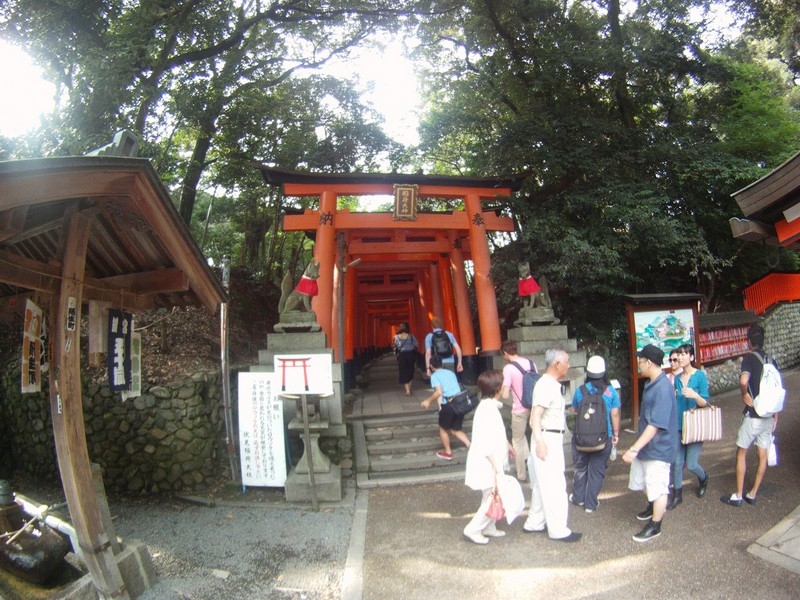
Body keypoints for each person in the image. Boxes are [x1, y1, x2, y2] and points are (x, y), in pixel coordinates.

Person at [522, 349, 581, 542]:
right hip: (546, 438)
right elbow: (535, 416)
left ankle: (534, 522)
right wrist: (540, 442)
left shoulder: (548, 384)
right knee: (555, 484)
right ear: (557, 363)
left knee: (541, 483)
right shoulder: (546, 385)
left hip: (547, 437)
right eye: (566, 361)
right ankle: (558, 530)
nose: (568, 365)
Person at [623, 344, 678, 542]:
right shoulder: (651, 382)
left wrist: (634, 448)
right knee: (644, 482)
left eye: (641, 360)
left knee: (658, 486)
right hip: (648, 445)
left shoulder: (662, 388)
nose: (638, 364)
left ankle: (656, 525)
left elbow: (655, 424)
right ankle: (653, 506)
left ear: (650, 363)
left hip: (658, 447)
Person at [721, 324, 779, 507]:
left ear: (749, 341)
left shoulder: (748, 359)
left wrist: (744, 394)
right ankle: (752, 493)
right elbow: (776, 391)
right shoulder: (771, 360)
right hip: (768, 416)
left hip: (753, 415)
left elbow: (744, 380)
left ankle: (738, 495)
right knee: (762, 455)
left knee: (741, 453)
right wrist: (776, 416)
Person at [463, 369, 516, 544]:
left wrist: (507, 445)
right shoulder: (487, 409)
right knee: (491, 496)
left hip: (489, 459)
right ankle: (473, 529)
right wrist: (495, 465)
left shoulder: (488, 407)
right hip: (487, 461)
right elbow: (484, 440)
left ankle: (489, 527)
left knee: (491, 494)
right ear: (496, 388)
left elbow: (496, 434)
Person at [569, 355, 621, 513]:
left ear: (588, 372)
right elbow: (615, 414)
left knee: (580, 467)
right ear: (604, 372)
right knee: (597, 470)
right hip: (604, 437)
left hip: (581, 437)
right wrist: (616, 434)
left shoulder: (580, 391)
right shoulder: (610, 392)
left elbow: (574, 410)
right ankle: (590, 504)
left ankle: (578, 498)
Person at [667, 343, 710, 510]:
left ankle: (704, 477)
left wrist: (694, 394)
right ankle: (677, 495)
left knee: (691, 464)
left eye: (685, 354)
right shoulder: (677, 379)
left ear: (691, 357)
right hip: (678, 425)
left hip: (695, 425)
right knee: (677, 463)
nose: (681, 357)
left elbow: (705, 402)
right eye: (680, 354)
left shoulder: (699, 376)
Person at [420, 355, 470, 460]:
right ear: (442, 364)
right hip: (460, 403)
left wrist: (428, 401)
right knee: (456, 429)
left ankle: (448, 452)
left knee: (443, 429)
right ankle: (471, 446)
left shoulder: (434, 376)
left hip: (448, 405)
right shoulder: (451, 373)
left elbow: (439, 392)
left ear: (431, 366)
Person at [500, 340, 536, 482]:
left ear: (505, 353)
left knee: (518, 439)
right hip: (534, 407)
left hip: (520, 409)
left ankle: (521, 474)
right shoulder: (531, 363)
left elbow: (505, 395)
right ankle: (532, 466)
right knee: (531, 438)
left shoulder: (508, 369)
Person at [393, 322, 419, 396]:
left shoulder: (397, 337)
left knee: (403, 372)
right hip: (410, 354)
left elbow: (396, 346)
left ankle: (407, 390)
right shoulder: (411, 336)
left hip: (402, 355)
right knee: (410, 371)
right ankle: (409, 387)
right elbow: (416, 344)